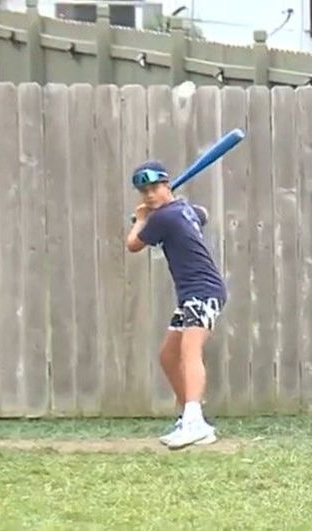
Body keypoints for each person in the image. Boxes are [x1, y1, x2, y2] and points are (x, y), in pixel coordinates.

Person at [125, 160, 226, 449]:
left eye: (155, 187)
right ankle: (192, 420)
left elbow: (132, 244)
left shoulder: (164, 218)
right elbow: (202, 213)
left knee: (189, 352)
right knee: (168, 356)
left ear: (167, 185)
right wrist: (159, 209)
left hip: (203, 291)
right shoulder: (184, 210)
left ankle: (194, 422)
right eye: (144, 190)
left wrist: (142, 219)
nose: (149, 194)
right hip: (191, 294)